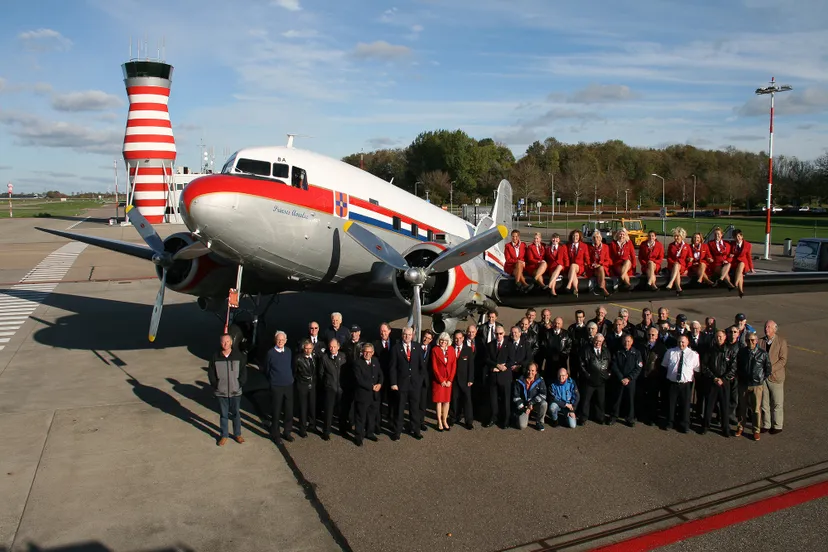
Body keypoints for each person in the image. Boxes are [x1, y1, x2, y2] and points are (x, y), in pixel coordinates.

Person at [208, 333, 248, 446]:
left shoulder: (238, 356)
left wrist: (239, 384)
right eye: (223, 342)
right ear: (220, 343)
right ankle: (224, 435)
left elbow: (243, 372)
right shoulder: (215, 356)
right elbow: (211, 372)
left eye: (227, 341)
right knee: (223, 415)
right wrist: (216, 385)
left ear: (231, 342)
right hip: (221, 392)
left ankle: (237, 434)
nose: (225, 344)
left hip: (235, 391)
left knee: (236, 414)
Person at [389, 326, 426, 440]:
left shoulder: (417, 347)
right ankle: (397, 432)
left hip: (415, 384)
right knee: (399, 409)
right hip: (401, 384)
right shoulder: (396, 348)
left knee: (414, 409)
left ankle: (416, 430)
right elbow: (392, 368)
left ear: (412, 336)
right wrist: (393, 383)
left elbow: (422, 366)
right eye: (405, 334)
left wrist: (419, 380)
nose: (407, 337)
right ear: (402, 335)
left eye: (409, 335)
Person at [736, 332, 772, 441]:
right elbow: (737, 366)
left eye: (752, 340)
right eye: (748, 340)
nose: (750, 342)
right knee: (742, 407)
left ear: (756, 341)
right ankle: (740, 427)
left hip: (756, 385)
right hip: (743, 384)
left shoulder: (763, 354)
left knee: (756, 409)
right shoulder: (741, 352)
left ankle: (756, 430)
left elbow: (768, 369)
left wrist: (760, 379)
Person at [700, 330, 736, 437]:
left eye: (720, 336)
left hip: (724, 383)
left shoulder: (730, 351)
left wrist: (723, 379)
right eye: (717, 337)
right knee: (709, 406)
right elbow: (704, 366)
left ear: (725, 337)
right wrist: (714, 378)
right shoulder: (710, 351)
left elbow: (733, 368)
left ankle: (725, 428)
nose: (719, 338)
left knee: (725, 407)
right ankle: (705, 426)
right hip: (712, 382)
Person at [661, 335, 700, 433]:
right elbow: (664, 365)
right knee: (671, 403)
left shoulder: (693, 354)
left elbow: (696, 369)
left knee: (685, 405)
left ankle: (684, 424)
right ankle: (670, 422)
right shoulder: (670, 352)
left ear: (687, 342)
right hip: (672, 382)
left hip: (685, 384)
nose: (681, 344)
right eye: (679, 342)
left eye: (683, 342)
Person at [266, 330, 294, 444]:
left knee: (289, 411)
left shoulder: (288, 351)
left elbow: (291, 366)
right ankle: (276, 435)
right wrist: (272, 381)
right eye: (279, 340)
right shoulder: (270, 353)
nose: (280, 342)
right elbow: (267, 369)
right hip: (276, 386)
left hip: (288, 385)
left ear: (286, 341)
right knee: (276, 412)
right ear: (275, 340)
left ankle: (287, 432)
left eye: (282, 340)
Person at [609, 334, 643, 426]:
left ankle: (630, 418)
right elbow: (614, 365)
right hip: (619, 380)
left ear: (632, 342)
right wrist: (621, 377)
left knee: (630, 400)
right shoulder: (618, 352)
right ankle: (614, 416)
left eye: (628, 341)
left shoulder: (636, 353)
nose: (626, 343)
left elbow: (638, 368)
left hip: (630, 381)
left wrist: (629, 378)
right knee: (617, 399)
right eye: (624, 341)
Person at [760, 321, 787, 435]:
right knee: (764, 402)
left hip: (776, 376)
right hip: (763, 377)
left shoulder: (781, 342)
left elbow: (783, 360)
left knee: (777, 402)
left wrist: (770, 368)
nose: (766, 329)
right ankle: (766, 424)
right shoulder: (761, 341)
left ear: (775, 329)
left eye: (769, 327)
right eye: (765, 326)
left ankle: (777, 425)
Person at [353, 343, 383, 446]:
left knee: (372, 415)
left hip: (374, 395)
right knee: (361, 417)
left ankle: (369, 433)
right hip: (363, 395)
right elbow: (359, 380)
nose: (367, 354)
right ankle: (358, 437)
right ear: (362, 352)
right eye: (365, 352)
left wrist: (380, 384)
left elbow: (380, 374)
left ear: (373, 352)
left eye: (369, 352)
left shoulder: (375, 361)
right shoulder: (358, 363)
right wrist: (372, 387)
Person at [578, 334, 612, 425]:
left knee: (600, 401)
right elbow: (581, 365)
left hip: (601, 381)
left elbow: (610, 364)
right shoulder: (586, 350)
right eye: (596, 341)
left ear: (602, 342)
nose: (597, 343)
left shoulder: (606, 351)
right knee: (586, 400)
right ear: (593, 340)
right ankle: (583, 417)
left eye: (600, 341)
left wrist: (608, 375)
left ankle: (600, 417)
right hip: (589, 381)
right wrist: (587, 375)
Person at [317, 338, 346, 440]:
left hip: (341, 388)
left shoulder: (343, 356)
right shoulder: (325, 358)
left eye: (334, 346)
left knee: (341, 410)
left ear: (338, 347)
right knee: (328, 411)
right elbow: (321, 373)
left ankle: (342, 429)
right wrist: (327, 384)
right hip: (330, 388)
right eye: (330, 347)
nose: (332, 349)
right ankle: (326, 432)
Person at [637, 327, 666, 426]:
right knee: (641, 396)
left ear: (657, 336)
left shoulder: (661, 348)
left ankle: (652, 417)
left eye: (653, 335)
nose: (651, 336)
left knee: (653, 398)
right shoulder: (641, 346)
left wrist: (659, 375)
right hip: (642, 375)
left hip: (654, 377)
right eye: (649, 334)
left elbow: (663, 364)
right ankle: (641, 415)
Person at [485, 326, 512, 428]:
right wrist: (496, 366)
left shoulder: (509, 345)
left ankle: (506, 420)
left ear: (504, 333)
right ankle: (493, 418)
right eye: (496, 334)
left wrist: (503, 367)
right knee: (493, 400)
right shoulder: (490, 345)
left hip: (505, 376)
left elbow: (512, 360)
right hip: (493, 376)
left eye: (500, 333)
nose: (498, 336)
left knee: (506, 400)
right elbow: (487, 359)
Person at [431, 332, 457, 431]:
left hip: (448, 380)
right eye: (441, 340)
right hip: (439, 380)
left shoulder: (451, 349)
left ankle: (445, 420)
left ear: (448, 341)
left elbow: (454, 365)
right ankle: (439, 421)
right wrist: (441, 380)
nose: (443, 342)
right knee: (439, 401)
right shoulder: (435, 350)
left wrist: (450, 380)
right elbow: (434, 367)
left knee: (446, 401)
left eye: (445, 340)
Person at [512, 363, 547, 431]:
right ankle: (517, 415)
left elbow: (543, 395)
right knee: (522, 426)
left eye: (532, 370)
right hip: (523, 405)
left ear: (536, 372)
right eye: (528, 370)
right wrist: (524, 408)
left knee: (544, 404)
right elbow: (516, 397)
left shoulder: (540, 380)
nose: (530, 372)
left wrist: (531, 403)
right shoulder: (519, 380)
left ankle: (539, 422)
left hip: (534, 403)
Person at [451, 330, 475, 430]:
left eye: (460, 338)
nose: (458, 340)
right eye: (456, 338)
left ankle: (469, 421)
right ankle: (454, 417)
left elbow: (471, 365)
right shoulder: (450, 348)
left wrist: (470, 379)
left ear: (463, 338)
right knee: (454, 399)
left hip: (465, 380)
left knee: (467, 400)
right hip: (453, 379)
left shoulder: (468, 350)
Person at [294, 339, 317, 438]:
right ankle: (302, 428)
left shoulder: (314, 357)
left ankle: (312, 425)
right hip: (302, 385)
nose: (308, 350)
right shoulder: (298, 359)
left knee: (312, 406)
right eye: (306, 348)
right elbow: (294, 372)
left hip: (312, 385)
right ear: (303, 348)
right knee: (303, 408)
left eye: (310, 348)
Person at [664, 227, 690, 295]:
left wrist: (687, 268)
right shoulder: (671, 245)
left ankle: (671, 282)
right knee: (676, 267)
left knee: (677, 266)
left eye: (677, 236)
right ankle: (678, 288)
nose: (676, 238)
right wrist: (674, 263)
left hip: (682, 266)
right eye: (675, 236)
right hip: (672, 266)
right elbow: (668, 257)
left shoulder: (686, 246)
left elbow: (690, 258)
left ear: (681, 237)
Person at [729, 229, 754, 297]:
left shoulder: (747, 245)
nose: (737, 238)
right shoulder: (732, 244)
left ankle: (735, 284)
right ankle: (740, 290)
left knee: (741, 264)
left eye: (738, 236)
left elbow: (749, 256)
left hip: (743, 263)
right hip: (735, 263)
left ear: (742, 236)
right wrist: (731, 255)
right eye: (735, 237)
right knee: (740, 274)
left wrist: (751, 267)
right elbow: (730, 253)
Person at [564, 229, 589, 296]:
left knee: (573, 265)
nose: (575, 237)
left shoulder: (584, 246)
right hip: (571, 268)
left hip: (580, 267)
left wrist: (587, 269)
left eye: (577, 235)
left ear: (579, 237)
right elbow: (566, 258)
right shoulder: (568, 245)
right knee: (573, 271)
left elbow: (587, 259)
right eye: (574, 235)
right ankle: (576, 289)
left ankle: (569, 284)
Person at [588, 230, 612, 297]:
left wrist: (600, 264)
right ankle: (603, 289)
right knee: (599, 270)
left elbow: (608, 260)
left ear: (600, 238)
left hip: (603, 267)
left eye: (597, 237)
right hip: (594, 268)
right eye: (594, 237)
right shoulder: (590, 247)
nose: (596, 239)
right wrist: (593, 265)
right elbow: (588, 259)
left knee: (601, 268)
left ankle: (601, 286)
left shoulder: (605, 247)